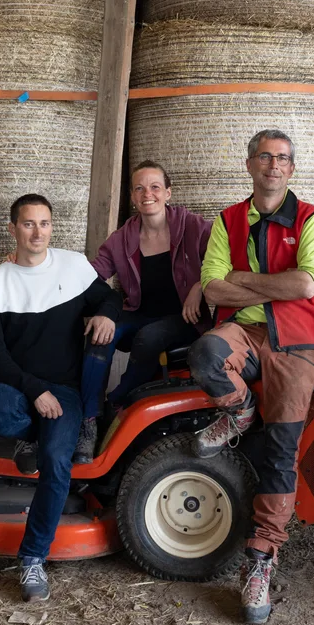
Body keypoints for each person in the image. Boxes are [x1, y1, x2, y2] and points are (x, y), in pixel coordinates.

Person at [188, 129, 314, 625]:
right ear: (250, 164)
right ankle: (240, 409)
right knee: (205, 353)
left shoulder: (312, 219)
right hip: (244, 336)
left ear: (292, 169)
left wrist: (244, 281)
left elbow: (308, 281)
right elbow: (212, 288)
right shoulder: (227, 220)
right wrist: (272, 291)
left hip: (296, 343)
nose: (274, 165)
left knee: (281, 446)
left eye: (283, 159)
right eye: (265, 157)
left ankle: (261, 558)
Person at [0, 194, 121, 602]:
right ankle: (32, 433)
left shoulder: (72, 266)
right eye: (28, 224)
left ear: (52, 227)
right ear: (13, 228)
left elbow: (108, 297)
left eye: (44, 223)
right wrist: (35, 392)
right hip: (20, 388)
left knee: (57, 464)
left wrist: (106, 313)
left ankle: (33, 557)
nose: (37, 232)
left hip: (66, 391)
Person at [76, 160, 212, 461]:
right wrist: (44, 267)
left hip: (183, 318)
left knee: (150, 337)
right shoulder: (122, 238)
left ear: (167, 193)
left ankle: (118, 401)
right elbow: (92, 275)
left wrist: (199, 286)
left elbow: (222, 255)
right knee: (100, 335)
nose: (146, 193)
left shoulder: (192, 226)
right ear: (133, 197)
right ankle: (88, 421)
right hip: (138, 313)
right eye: (139, 188)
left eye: (154, 187)